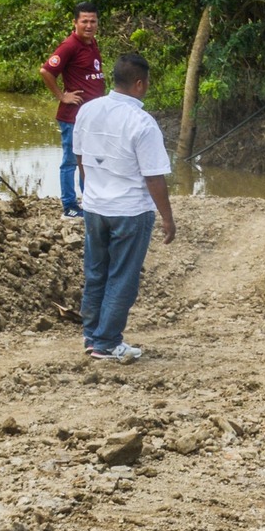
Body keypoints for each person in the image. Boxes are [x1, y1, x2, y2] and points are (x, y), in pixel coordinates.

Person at [71, 52, 176, 363]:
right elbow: (153, 177)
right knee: (122, 277)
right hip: (130, 211)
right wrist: (167, 218)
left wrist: (91, 190)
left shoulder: (88, 110)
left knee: (96, 272)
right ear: (140, 84)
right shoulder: (142, 123)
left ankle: (92, 336)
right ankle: (106, 343)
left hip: (94, 207)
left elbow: (80, 158)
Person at [40, 2, 105, 221]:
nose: (89, 25)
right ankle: (69, 206)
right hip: (73, 116)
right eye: (84, 21)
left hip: (93, 116)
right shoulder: (69, 45)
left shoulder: (92, 42)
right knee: (70, 161)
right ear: (75, 22)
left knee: (90, 160)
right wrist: (62, 96)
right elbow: (46, 71)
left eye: (93, 21)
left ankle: (90, 201)